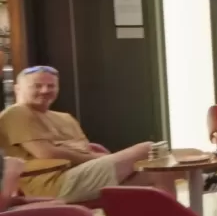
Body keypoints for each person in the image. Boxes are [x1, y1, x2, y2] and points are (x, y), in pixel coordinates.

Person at [0, 66, 171, 202]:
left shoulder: (65, 118)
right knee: (148, 149)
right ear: (17, 89)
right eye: (37, 86)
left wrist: (71, 151)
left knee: (160, 171)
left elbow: (83, 148)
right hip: (54, 184)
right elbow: (46, 153)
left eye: (51, 86)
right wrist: (96, 159)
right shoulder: (16, 113)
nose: (45, 90)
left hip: (79, 174)